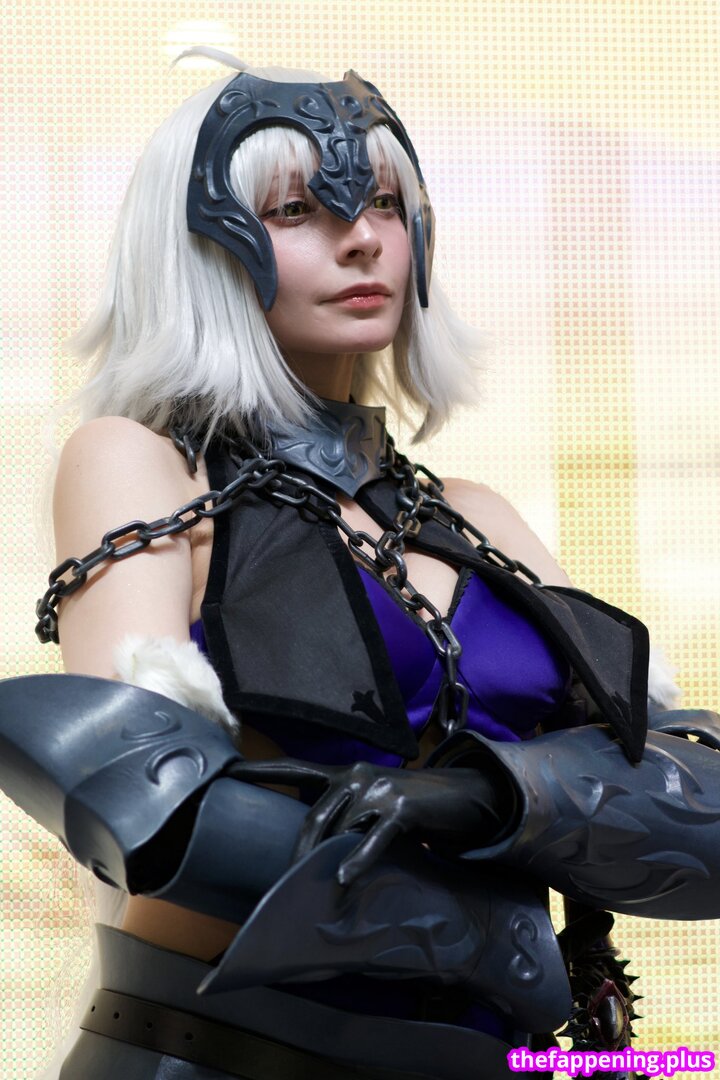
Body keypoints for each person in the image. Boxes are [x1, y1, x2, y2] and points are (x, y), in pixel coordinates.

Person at [3, 51, 720, 1080]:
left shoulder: (472, 516)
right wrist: (523, 853)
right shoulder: (140, 463)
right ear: (199, 246)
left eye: (385, 202)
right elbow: (151, 812)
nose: (361, 238)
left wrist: (488, 798)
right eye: (298, 210)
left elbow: (692, 789)